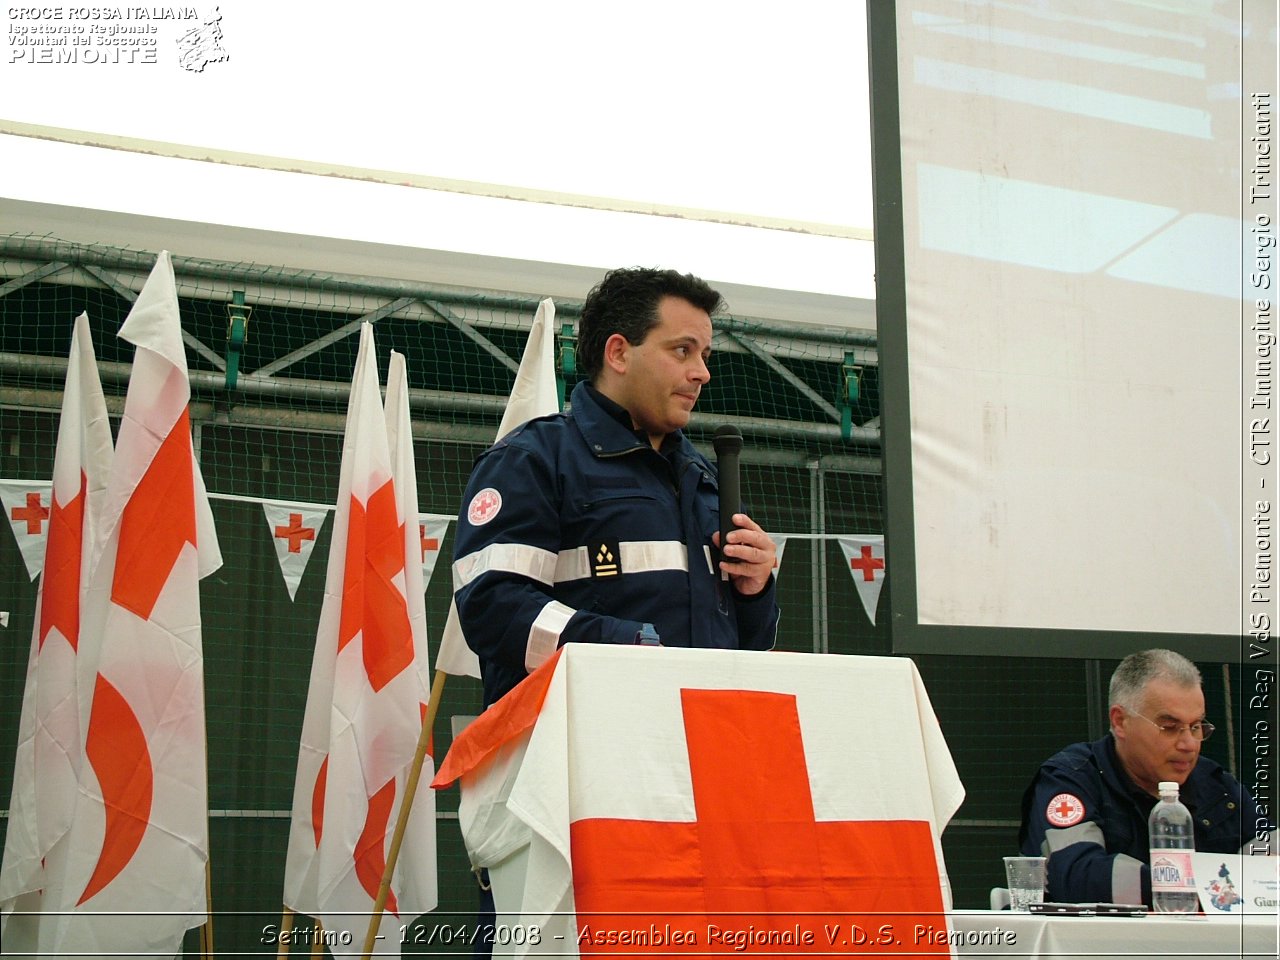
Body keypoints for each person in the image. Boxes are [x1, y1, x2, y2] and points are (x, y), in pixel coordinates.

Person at [452, 266, 780, 709]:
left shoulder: (706, 478)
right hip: (574, 747)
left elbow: (748, 645)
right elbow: (492, 608)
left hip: (702, 742)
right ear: (619, 354)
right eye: (682, 351)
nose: (701, 372)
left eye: (705, 355)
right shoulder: (532, 458)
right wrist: (625, 648)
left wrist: (755, 589)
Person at [1018, 649, 1275, 906]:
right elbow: (1079, 878)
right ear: (1120, 721)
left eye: (1196, 727)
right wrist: (1205, 890)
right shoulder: (1070, 779)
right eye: (1170, 727)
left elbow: (1271, 866)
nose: (1189, 744)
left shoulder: (1217, 786)